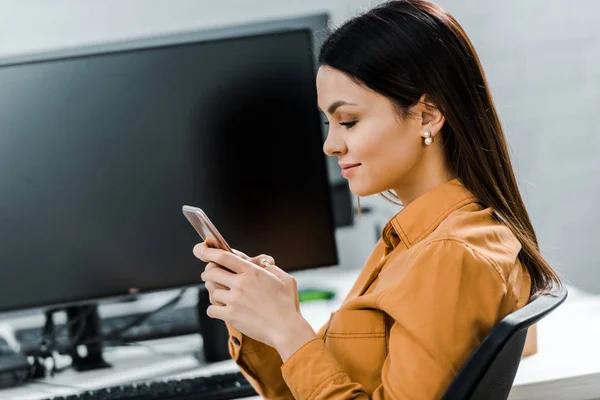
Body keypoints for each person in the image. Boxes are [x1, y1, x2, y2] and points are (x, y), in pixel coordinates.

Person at [193, 0, 561, 399]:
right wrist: (263, 321)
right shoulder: (411, 242)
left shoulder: (449, 255)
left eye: (348, 121)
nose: (331, 145)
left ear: (427, 116)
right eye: (328, 123)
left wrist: (288, 328)